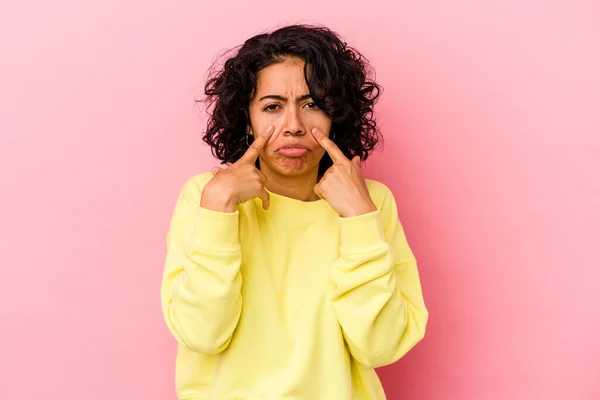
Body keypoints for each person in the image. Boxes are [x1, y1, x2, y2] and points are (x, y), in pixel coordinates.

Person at [161, 24, 428, 400]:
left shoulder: (372, 202)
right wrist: (218, 210)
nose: (293, 127)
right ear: (247, 118)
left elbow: (380, 347)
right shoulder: (206, 197)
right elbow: (202, 334)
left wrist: (359, 221)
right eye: (272, 107)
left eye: (313, 104)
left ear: (336, 114)